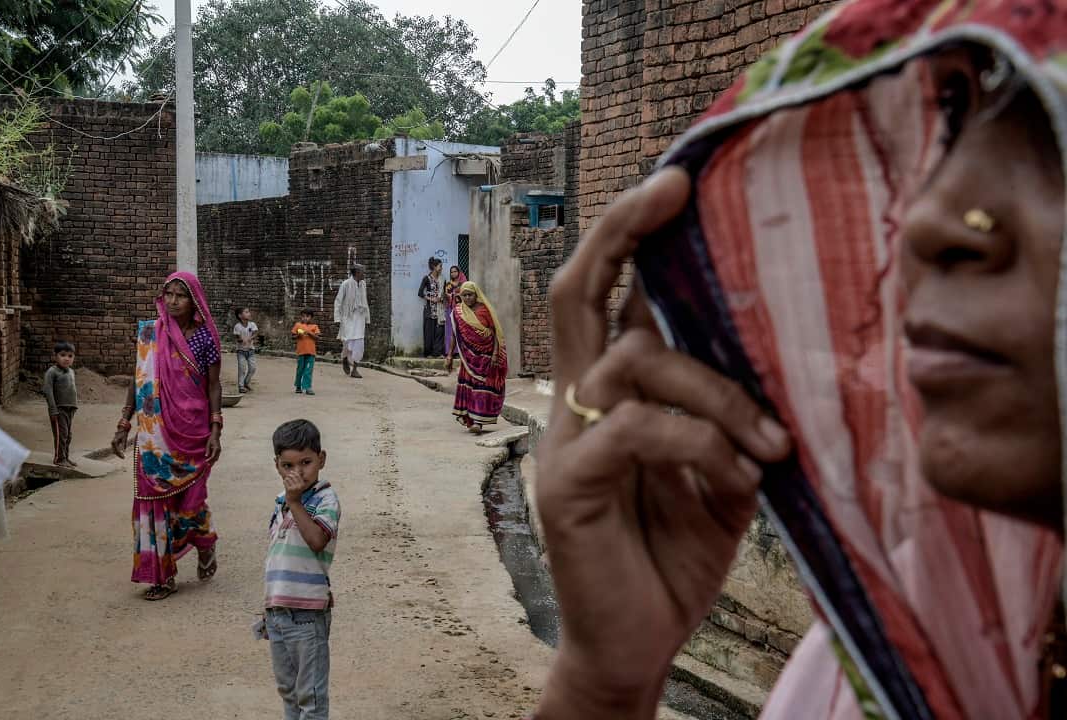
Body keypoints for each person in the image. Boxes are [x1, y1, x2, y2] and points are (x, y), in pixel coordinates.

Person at [532, 3, 1067, 720]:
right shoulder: (909, 647)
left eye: (1052, 115)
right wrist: (603, 686)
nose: (928, 219)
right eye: (955, 106)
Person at [110, 271, 222, 602]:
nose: (172, 301)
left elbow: (214, 386)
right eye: (168, 294)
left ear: (195, 300)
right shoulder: (151, 333)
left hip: (193, 431)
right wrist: (123, 423)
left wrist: (216, 429)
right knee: (153, 502)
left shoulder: (205, 339)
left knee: (191, 504)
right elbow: (139, 377)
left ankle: (205, 542)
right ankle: (161, 575)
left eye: (180, 295)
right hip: (153, 436)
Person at [263, 419, 341, 720]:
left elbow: (317, 540)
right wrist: (269, 604)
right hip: (279, 612)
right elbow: (277, 556)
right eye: (288, 465)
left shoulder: (325, 499)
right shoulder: (281, 502)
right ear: (277, 466)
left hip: (308, 615)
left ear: (321, 459)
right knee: (289, 691)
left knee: (311, 695)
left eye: (306, 462)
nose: (297, 472)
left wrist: (295, 502)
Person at [445, 281, 507, 435]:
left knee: (483, 389)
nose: (467, 298)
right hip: (468, 359)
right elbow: (454, 335)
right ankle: (472, 421)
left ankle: (479, 422)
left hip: (486, 358)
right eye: (464, 295)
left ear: (476, 295)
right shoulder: (458, 312)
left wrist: (494, 354)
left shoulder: (485, 311)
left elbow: (495, 333)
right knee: (470, 389)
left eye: (470, 295)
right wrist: (449, 356)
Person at [43, 341, 78, 467]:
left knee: (68, 435)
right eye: (63, 355)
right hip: (58, 409)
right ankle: (59, 458)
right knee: (61, 435)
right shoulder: (52, 372)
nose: (66, 359)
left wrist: (74, 406)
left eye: (70, 356)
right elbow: (47, 391)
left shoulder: (71, 372)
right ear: (55, 356)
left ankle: (66, 457)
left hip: (70, 409)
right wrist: (53, 409)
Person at [333, 266, 370, 378]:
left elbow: (365, 301)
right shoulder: (346, 284)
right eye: (362, 271)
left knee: (359, 344)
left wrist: (367, 318)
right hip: (348, 318)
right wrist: (337, 318)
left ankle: (355, 369)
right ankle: (344, 358)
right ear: (357, 273)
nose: (364, 273)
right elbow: (338, 301)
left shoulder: (363, 284)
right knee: (347, 342)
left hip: (360, 318)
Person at [417, 257, 445, 358]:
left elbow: (443, 293)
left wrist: (442, 298)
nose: (441, 268)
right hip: (429, 309)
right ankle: (428, 353)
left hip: (440, 309)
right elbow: (420, 293)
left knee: (439, 331)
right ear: (434, 267)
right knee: (429, 332)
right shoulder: (426, 278)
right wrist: (431, 299)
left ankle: (437, 353)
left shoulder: (442, 279)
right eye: (440, 266)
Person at [291, 309, 320, 396]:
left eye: (307, 316)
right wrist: (298, 335)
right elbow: (292, 336)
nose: (305, 318)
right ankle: (298, 386)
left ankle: (308, 387)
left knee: (308, 370)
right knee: (300, 369)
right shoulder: (298, 325)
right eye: (303, 316)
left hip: (311, 353)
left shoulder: (314, 326)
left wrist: (309, 333)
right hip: (301, 352)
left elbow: (317, 338)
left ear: (311, 317)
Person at [443, 265, 467, 358]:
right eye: (451, 272)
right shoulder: (449, 284)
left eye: (455, 271)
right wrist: (450, 295)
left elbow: (465, 294)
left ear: (459, 272)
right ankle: (450, 351)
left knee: (460, 330)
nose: (453, 273)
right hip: (450, 309)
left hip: (461, 310)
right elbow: (446, 296)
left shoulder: (463, 284)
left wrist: (455, 294)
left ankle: (459, 352)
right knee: (450, 330)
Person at [233, 307, 258, 393]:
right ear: (240, 316)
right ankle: (241, 386)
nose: (249, 313)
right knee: (242, 369)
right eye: (246, 312)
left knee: (253, 368)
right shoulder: (237, 327)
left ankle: (246, 382)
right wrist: (241, 340)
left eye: (248, 312)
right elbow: (237, 338)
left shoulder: (252, 324)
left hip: (251, 350)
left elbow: (255, 333)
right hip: (241, 351)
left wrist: (250, 338)